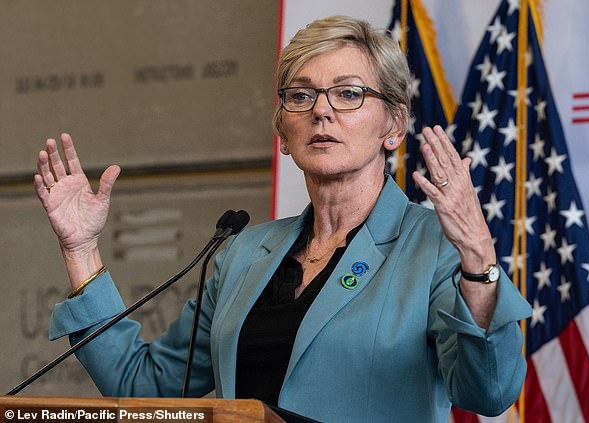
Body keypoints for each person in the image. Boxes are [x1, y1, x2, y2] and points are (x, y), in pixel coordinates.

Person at [36, 16, 531, 423]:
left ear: (393, 126)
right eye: (301, 95)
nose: (321, 112)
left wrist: (478, 258)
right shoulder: (242, 254)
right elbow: (145, 390)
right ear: (282, 132)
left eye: (348, 93)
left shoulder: (435, 247)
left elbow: (487, 391)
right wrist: (81, 250)